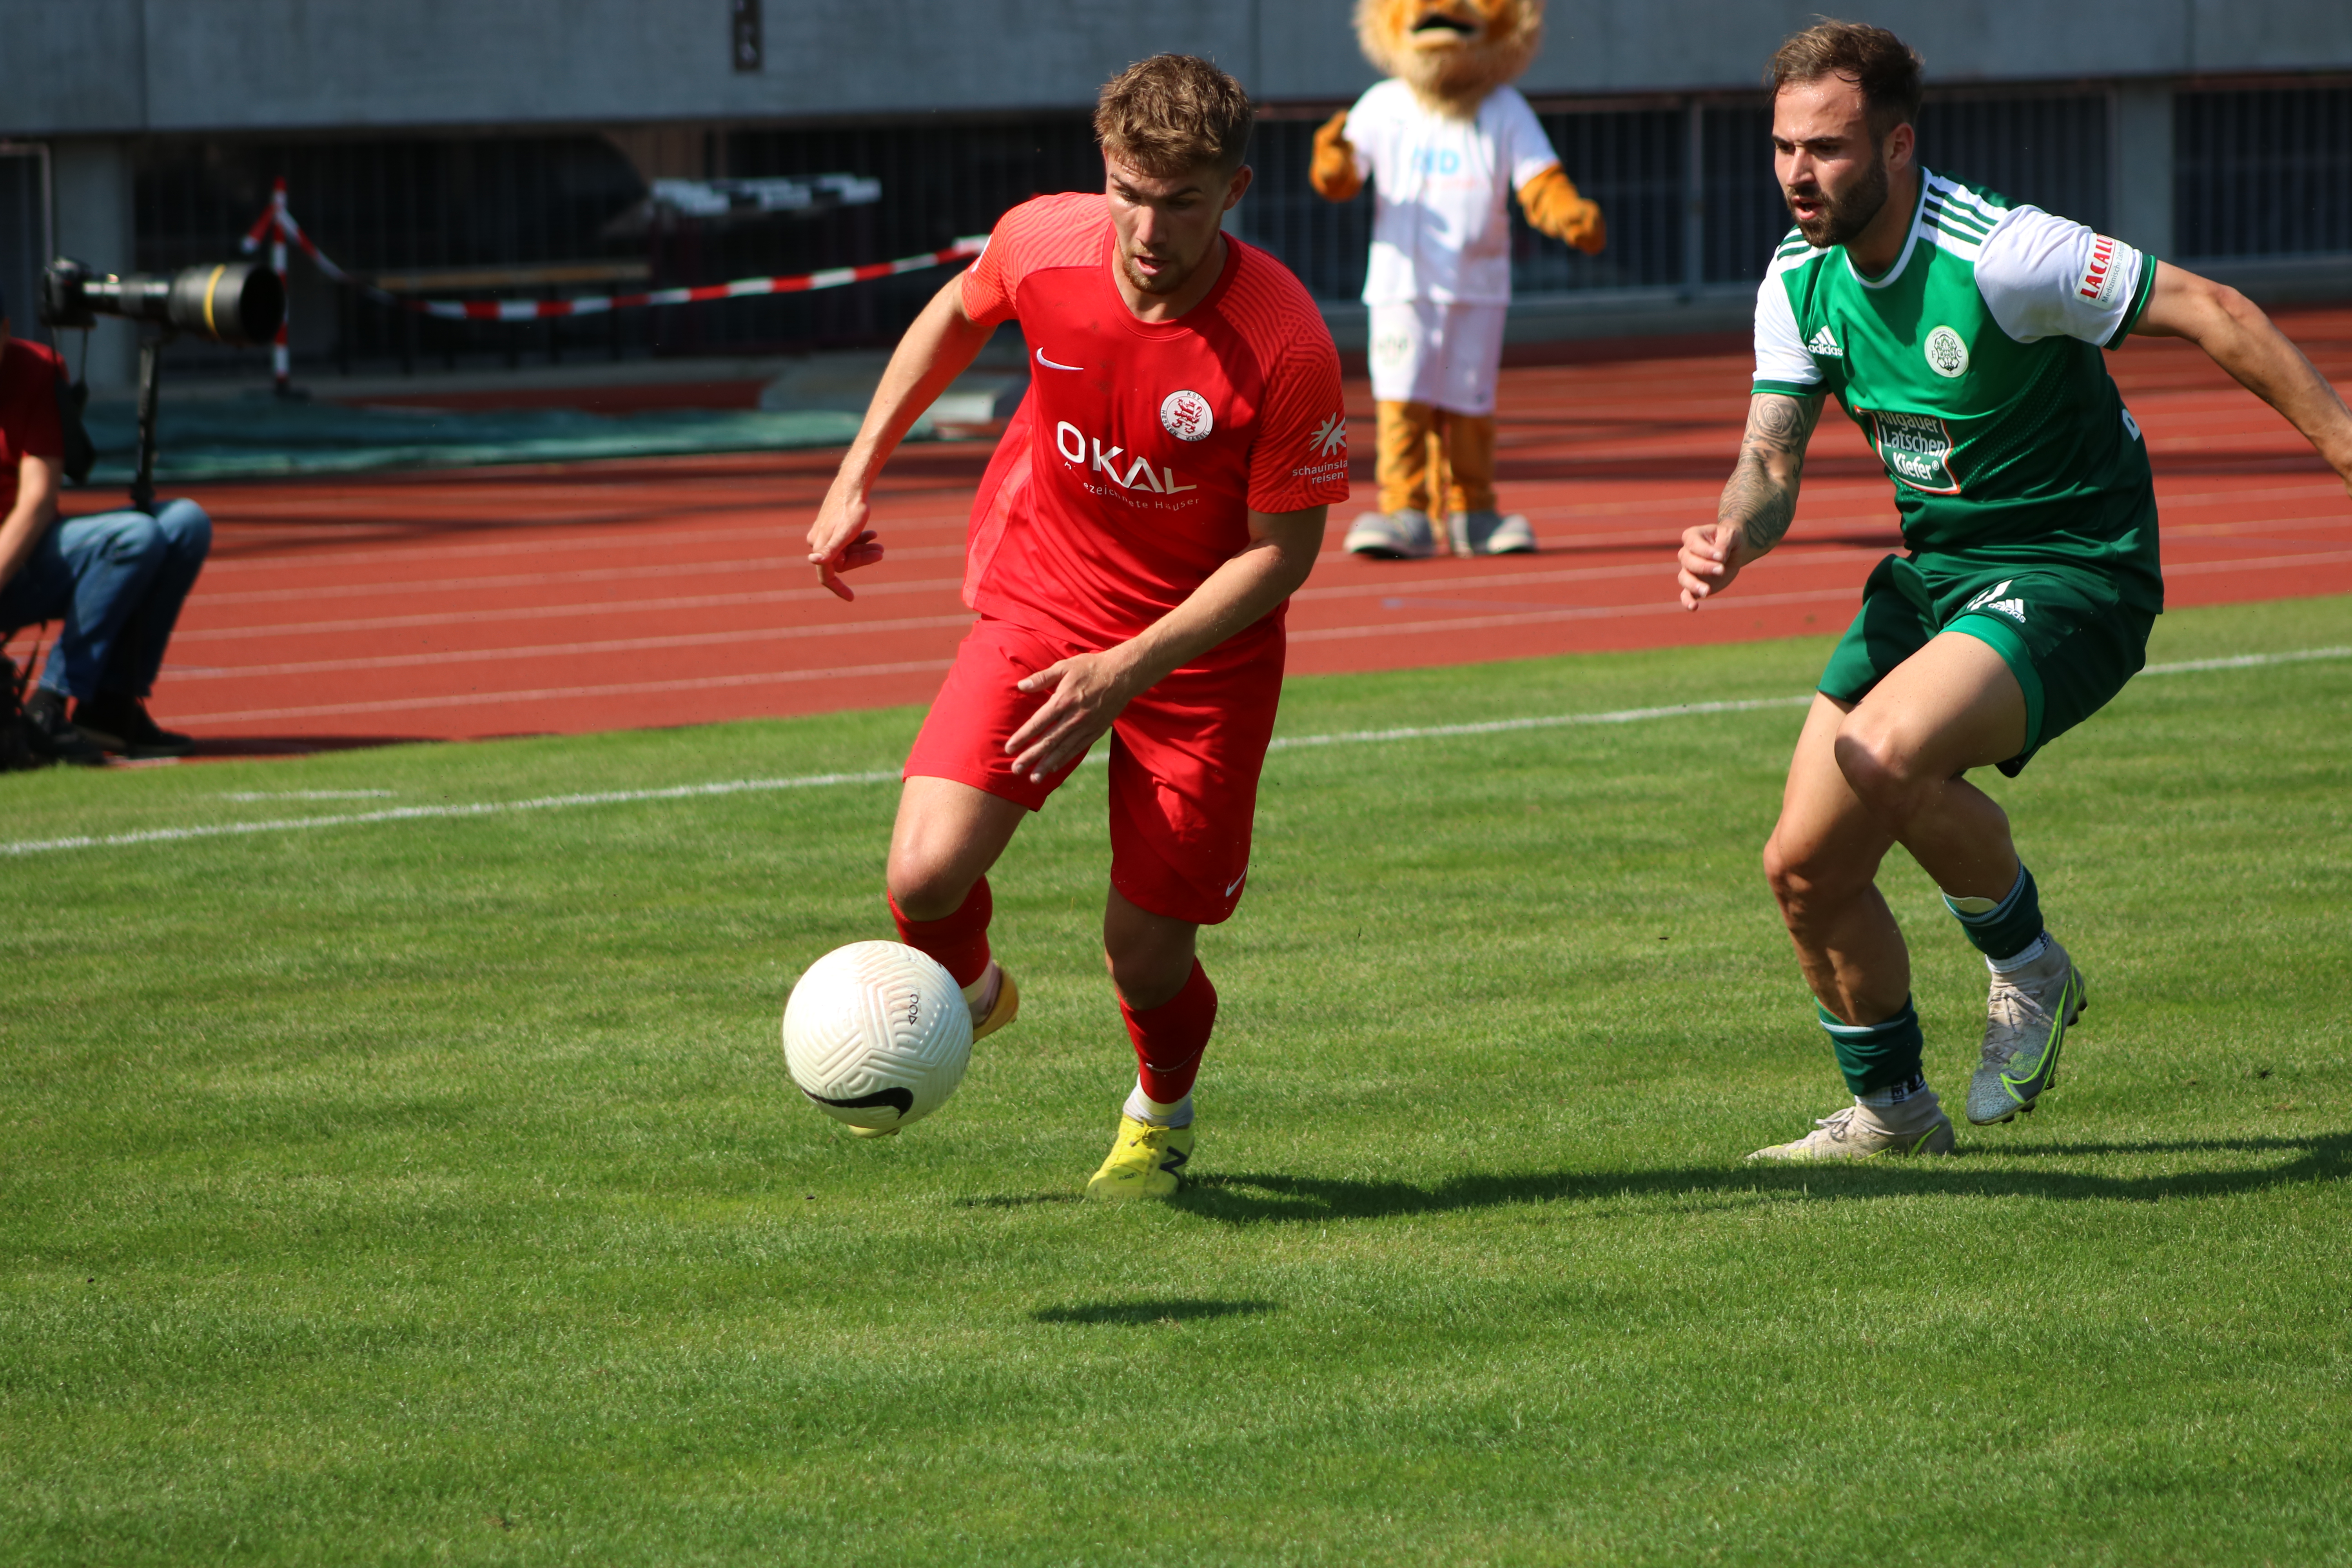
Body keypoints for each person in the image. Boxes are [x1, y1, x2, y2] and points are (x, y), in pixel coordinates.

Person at [1675, 22, 2352, 1160]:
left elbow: (2208, 308)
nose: (1797, 172)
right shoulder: (1796, 279)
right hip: (1937, 577)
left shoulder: (2001, 253)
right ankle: (1893, 1115)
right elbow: (1771, 460)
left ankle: (2028, 968)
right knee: (1801, 867)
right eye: (1784, 146)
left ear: (1896, 147)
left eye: (1827, 148)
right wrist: (1732, 532)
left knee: (1884, 751)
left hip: (2073, 570)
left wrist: (2339, 443)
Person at [802, 54, 1350, 1198]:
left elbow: (1282, 556)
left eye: (1183, 201)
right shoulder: (1042, 242)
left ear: (1235, 190)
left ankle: (1160, 1111)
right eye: (1131, 192)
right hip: (1044, 599)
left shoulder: (1283, 342)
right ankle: (970, 994)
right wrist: (857, 471)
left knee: (1143, 954)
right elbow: (951, 320)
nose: (1150, 228)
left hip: (1200, 657)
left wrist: (1129, 669)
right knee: (924, 873)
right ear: (1103, 169)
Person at [1311, 0, 1606, 559]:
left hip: (1478, 288)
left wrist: (1566, 211)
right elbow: (1347, 169)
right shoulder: (1384, 104)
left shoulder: (1503, 109)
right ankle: (1406, 511)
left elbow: (1538, 177)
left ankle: (1474, 511)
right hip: (1404, 287)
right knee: (1403, 402)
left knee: (1470, 405)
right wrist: (1334, 166)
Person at [0, 286, 211, 762]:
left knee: (184, 523)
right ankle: (51, 707)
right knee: (135, 535)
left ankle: (101, 707)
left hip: (23, 558)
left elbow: (37, 500)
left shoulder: (35, 368)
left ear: (8, 332)